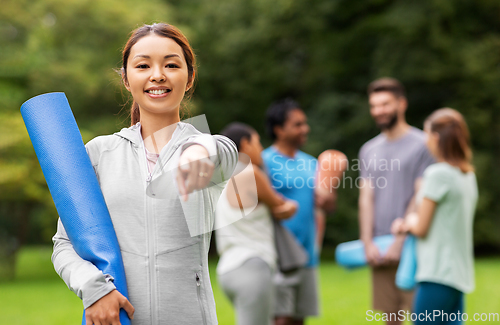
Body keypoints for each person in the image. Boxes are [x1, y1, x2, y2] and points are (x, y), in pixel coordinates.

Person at [51, 23, 238, 325]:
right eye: (143, 65)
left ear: (189, 78)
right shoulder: (99, 153)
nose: (157, 75)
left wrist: (201, 150)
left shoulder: (204, 149)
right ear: (126, 79)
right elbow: (65, 243)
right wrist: (94, 289)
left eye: (171, 65)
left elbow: (227, 153)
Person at [358, 78, 434, 325]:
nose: (378, 111)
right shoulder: (368, 149)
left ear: (402, 104)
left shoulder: (424, 144)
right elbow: (366, 198)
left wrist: (400, 241)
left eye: (385, 104)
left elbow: (421, 196)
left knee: (420, 316)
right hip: (379, 247)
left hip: (415, 245)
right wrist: (367, 242)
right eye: (374, 105)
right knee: (391, 319)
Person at [392, 108, 477, 325]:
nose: (425, 142)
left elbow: (420, 227)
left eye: (426, 135)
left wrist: (406, 223)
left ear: (436, 137)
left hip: (437, 272)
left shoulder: (437, 174)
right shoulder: (466, 175)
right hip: (458, 275)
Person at [215, 122, 297, 325]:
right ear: (245, 144)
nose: (261, 149)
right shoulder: (251, 172)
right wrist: (292, 205)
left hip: (227, 269)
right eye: (258, 143)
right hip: (252, 266)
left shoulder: (219, 180)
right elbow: (281, 207)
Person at [262, 98, 333, 325]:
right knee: (280, 319)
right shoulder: (264, 162)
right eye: (298, 124)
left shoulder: (311, 163)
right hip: (279, 255)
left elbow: (326, 208)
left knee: (299, 320)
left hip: (307, 256)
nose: (305, 129)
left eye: (305, 123)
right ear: (279, 130)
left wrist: (328, 198)